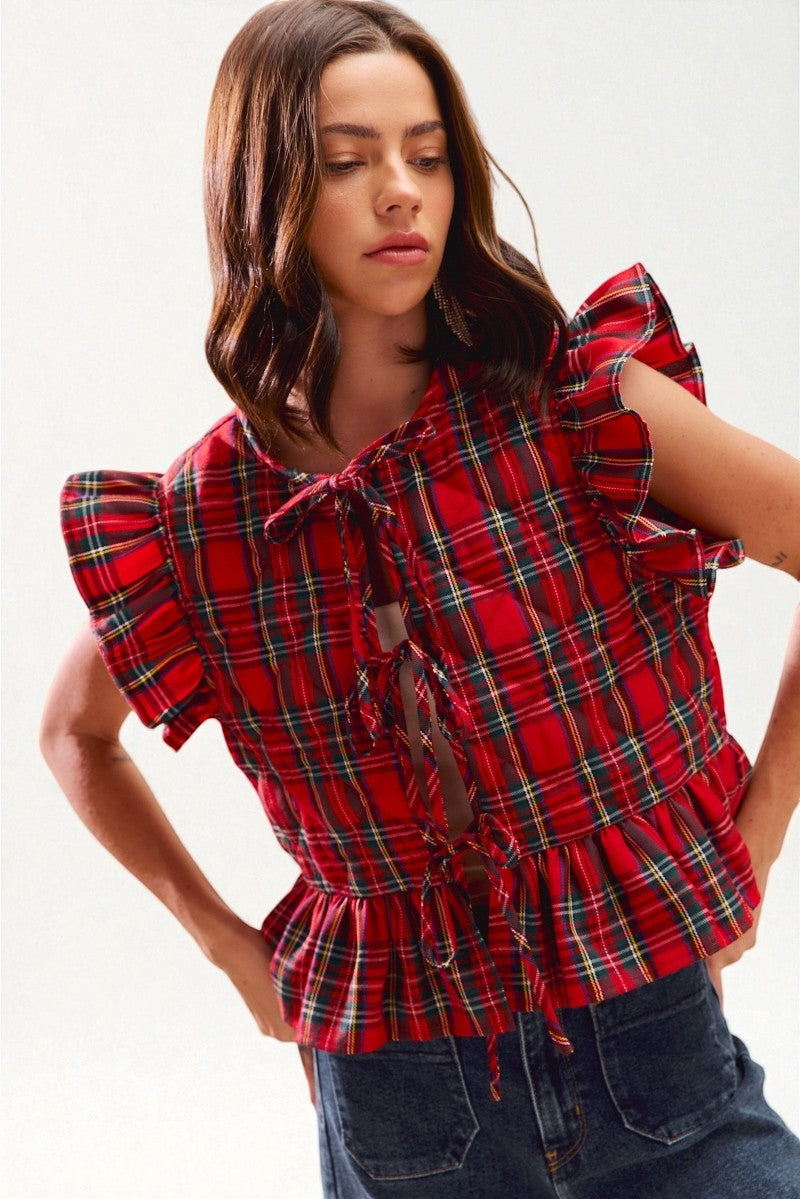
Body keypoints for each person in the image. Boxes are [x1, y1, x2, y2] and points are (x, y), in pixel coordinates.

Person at [41, 1, 800, 1195]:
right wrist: (232, 949)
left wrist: (749, 845)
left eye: (427, 154)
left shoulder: (574, 403)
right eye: (349, 161)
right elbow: (73, 734)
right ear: (263, 192)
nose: (401, 191)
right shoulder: (204, 521)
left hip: (652, 1038)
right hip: (401, 1090)